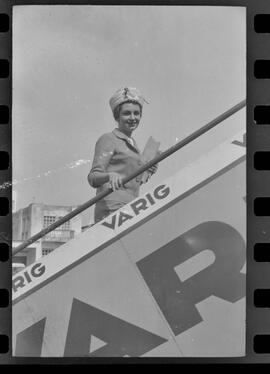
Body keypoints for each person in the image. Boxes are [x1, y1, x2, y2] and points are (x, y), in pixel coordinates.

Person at [88, 87, 158, 223]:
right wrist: (109, 176)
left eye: (136, 113)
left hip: (132, 206)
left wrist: (148, 170)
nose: (133, 118)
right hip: (111, 208)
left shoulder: (133, 144)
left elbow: (130, 181)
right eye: (127, 113)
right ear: (117, 116)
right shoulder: (108, 139)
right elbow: (93, 177)